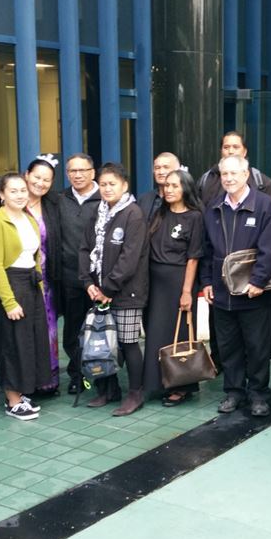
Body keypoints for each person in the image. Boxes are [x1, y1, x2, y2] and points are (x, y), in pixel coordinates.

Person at [200, 154, 271, 417]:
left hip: (252, 292)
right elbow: (207, 249)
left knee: (257, 346)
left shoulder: (264, 205)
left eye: (235, 173)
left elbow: (270, 250)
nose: (229, 178)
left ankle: (258, 394)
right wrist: (207, 282)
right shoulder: (214, 207)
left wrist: (258, 281)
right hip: (222, 293)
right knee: (228, 346)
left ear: (246, 174)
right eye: (225, 174)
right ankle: (233, 392)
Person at [80, 163, 151, 416]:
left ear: (124, 186)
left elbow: (129, 259)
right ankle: (107, 389)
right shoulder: (97, 213)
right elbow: (85, 249)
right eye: (103, 184)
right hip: (98, 290)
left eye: (112, 184)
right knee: (102, 340)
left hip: (126, 293)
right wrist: (88, 282)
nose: (107, 188)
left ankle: (135, 393)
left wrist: (107, 288)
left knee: (128, 343)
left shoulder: (133, 214)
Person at [0, 173, 52, 420]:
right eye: (13, 191)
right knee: (11, 343)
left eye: (23, 190)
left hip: (31, 285)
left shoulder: (28, 218)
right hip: (10, 285)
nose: (20, 195)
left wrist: (39, 289)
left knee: (30, 341)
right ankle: (12, 401)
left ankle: (22, 393)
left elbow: (36, 258)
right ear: (2, 194)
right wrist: (9, 302)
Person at [143, 169, 205, 407]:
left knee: (178, 334)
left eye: (175, 186)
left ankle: (180, 386)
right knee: (155, 334)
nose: (169, 189)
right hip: (154, 282)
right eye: (166, 185)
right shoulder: (159, 213)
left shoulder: (195, 217)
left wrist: (187, 291)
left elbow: (193, 257)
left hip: (178, 282)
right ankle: (158, 382)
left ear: (185, 189)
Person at [58, 153, 101, 395]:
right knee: (73, 331)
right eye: (72, 171)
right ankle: (76, 375)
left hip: (100, 280)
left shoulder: (104, 196)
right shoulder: (59, 199)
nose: (77, 175)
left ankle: (105, 376)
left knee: (102, 330)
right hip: (70, 278)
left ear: (92, 172)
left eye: (82, 170)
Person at [24, 154, 63, 395]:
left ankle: (48, 380)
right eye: (37, 177)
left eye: (46, 180)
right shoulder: (7, 199)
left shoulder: (54, 204)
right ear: (26, 175)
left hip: (48, 279)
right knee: (26, 331)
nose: (40, 183)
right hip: (20, 279)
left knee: (49, 329)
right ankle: (27, 379)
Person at [198, 132, 271, 207]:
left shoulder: (262, 182)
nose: (231, 151)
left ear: (244, 152)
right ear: (221, 151)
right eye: (226, 147)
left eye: (235, 147)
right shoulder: (207, 180)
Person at [138, 152, 181, 219]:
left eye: (166, 167)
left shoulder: (185, 200)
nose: (161, 172)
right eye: (157, 168)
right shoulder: (144, 199)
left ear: (177, 170)